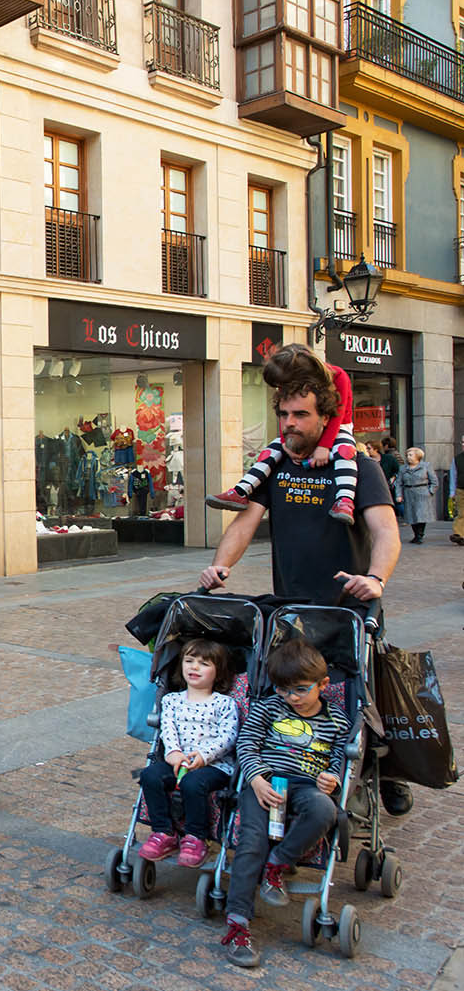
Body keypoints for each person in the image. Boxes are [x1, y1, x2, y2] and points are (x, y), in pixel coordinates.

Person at [199, 349, 398, 608]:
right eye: (284, 414)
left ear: (326, 418)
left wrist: (375, 578)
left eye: (301, 415)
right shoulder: (277, 467)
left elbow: (385, 531)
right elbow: (243, 524)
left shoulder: (361, 467)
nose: (289, 423)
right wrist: (219, 566)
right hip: (290, 607)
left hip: (348, 611)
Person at [220, 639, 349, 967]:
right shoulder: (268, 707)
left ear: (323, 684)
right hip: (266, 782)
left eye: (300, 690)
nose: (291, 698)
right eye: (283, 690)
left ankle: (277, 864)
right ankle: (238, 923)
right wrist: (257, 779)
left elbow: (339, 762)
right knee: (250, 843)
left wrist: (332, 778)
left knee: (325, 809)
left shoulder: (337, 721)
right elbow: (246, 744)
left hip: (307, 785)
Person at [208, 345, 359, 524]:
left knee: (345, 452)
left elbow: (337, 415)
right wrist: (285, 442)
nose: (281, 388)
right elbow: (285, 415)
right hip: (305, 427)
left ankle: (345, 499)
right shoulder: (288, 384)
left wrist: (324, 445)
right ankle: (241, 491)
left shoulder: (338, 376)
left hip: (338, 426)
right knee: (270, 451)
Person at [135, 639, 239, 869]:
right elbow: (167, 728)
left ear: (218, 671)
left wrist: (203, 756)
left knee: (193, 783)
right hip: (177, 761)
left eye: (203, 664)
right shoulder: (172, 700)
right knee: (150, 776)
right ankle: (163, 832)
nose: (194, 667)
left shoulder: (225, 703)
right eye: (189, 661)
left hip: (214, 766)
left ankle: (195, 837)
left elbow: (228, 737)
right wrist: (173, 752)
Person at [397, 446, 436, 544]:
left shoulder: (426, 466)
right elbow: (398, 483)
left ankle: (420, 535)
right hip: (408, 492)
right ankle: (416, 534)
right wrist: (399, 495)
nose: (408, 457)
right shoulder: (403, 468)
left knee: (421, 515)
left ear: (418, 456)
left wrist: (430, 491)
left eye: (411, 455)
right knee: (411, 515)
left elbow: (434, 480)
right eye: (407, 455)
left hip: (422, 492)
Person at [450, 435, 464, 546]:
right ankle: (459, 535)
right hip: (461, 489)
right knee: (461, 513)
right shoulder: (457, 459)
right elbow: (453, 476)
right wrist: (452, 492)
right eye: (463, 442)